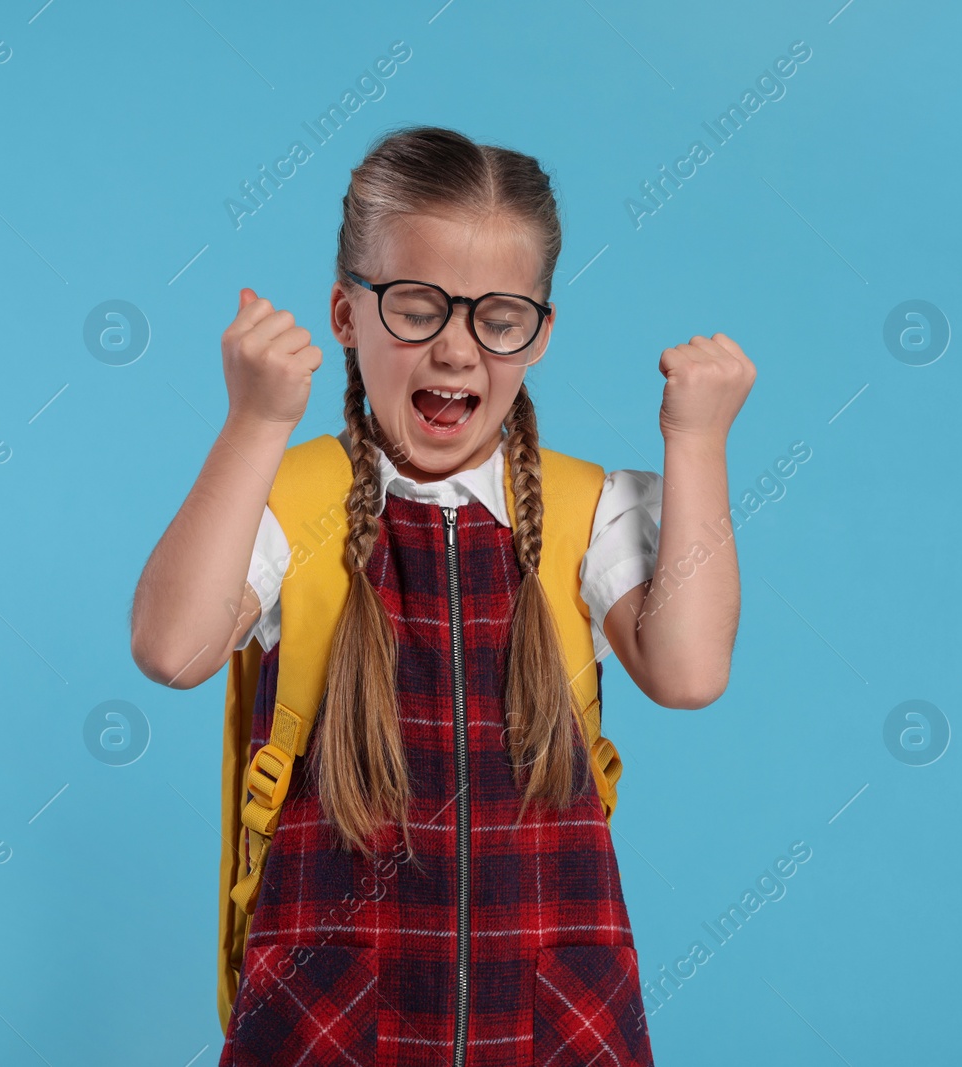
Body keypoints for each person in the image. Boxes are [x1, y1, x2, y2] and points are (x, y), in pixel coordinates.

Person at [129, 124, 752, 1066]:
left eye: (498, 317)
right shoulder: (287, 504)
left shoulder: (588, 512)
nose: (459, 349)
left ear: (539, 334)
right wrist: (256, 421)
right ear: (345, 313)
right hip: (329, 1016)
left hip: (551, 1015)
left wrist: (698, 444)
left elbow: (691, 671)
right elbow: (171, 649)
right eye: (417, 306)